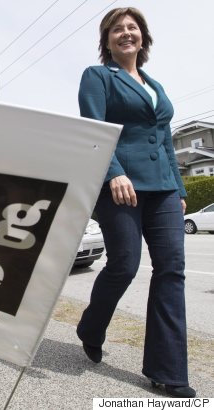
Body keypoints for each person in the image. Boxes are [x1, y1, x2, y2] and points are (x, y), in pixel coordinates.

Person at [75, 7, 196, 398]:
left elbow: (163, 140)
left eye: (132, 27)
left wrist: (178, 190)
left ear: (142, 37)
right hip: (120, 188)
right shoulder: (97, 76)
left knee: (171, 271)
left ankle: (169, 372)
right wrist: (114, 173)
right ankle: (91, 327)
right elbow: (95, 130)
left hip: (162, 189)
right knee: (124, 264)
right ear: (107, 39)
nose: (126, 33)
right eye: (117, 29)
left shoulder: (155, 86)